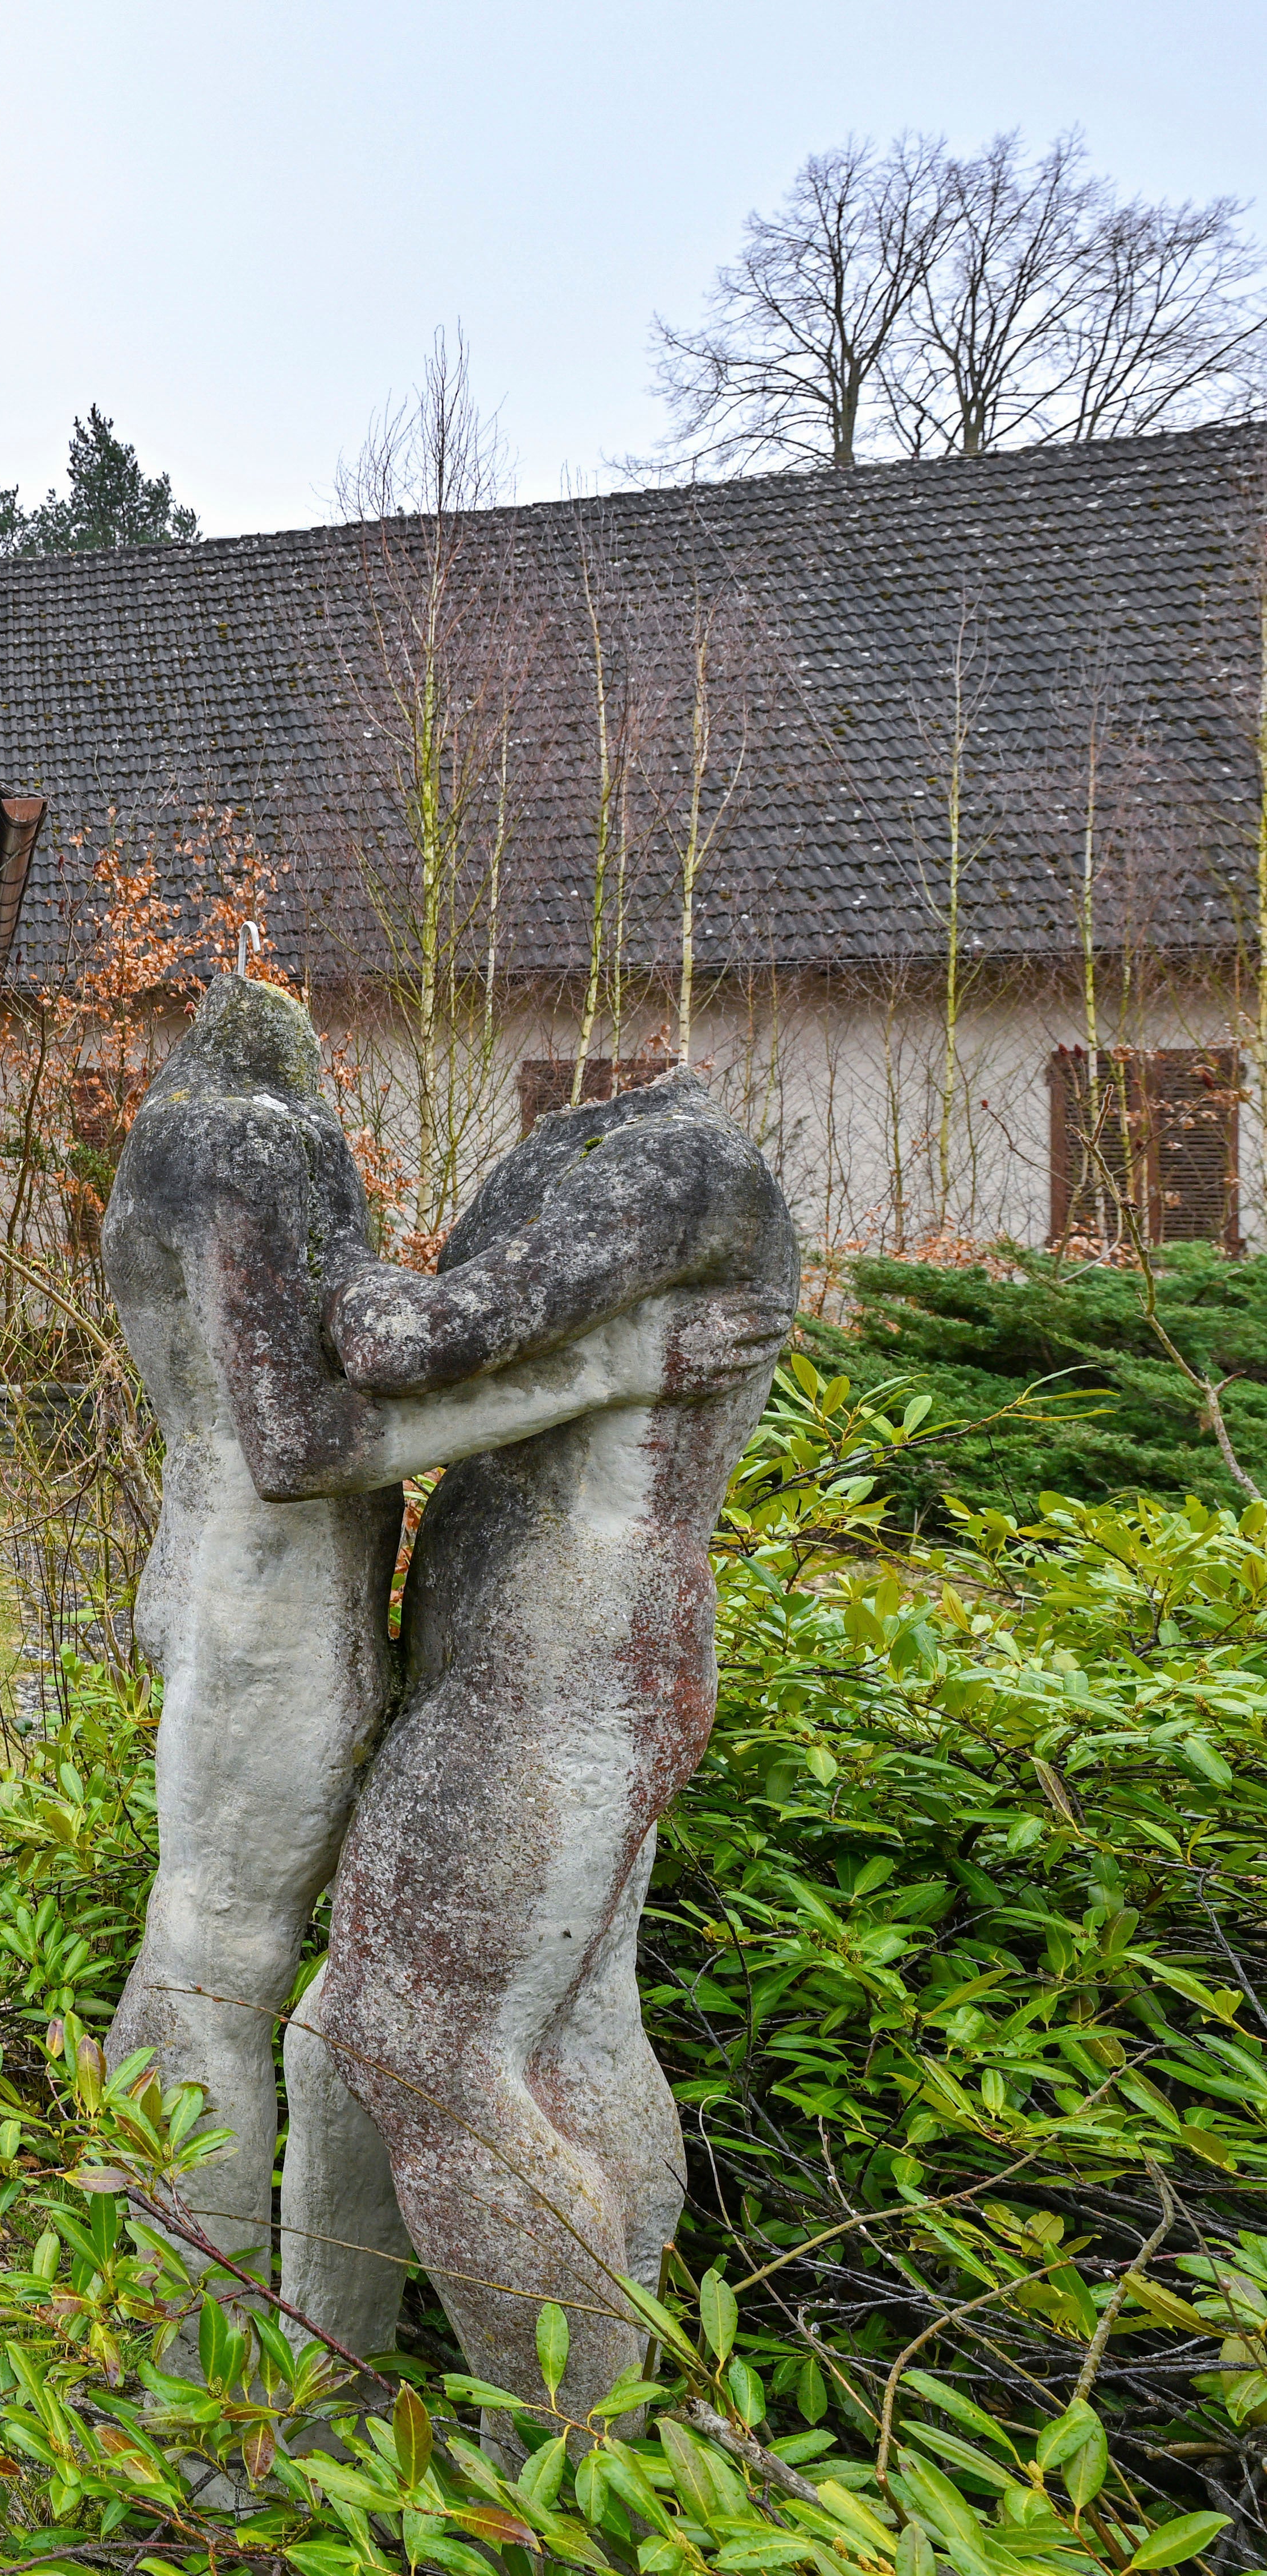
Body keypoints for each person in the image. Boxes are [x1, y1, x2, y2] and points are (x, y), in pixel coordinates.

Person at [96, 972, 784, 2352]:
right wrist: (616, 1366)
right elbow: (306, 1436)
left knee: (341, 2013)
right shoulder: (247, 1142)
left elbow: (337, 1370)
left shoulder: (179, 1145)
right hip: (264, 1604)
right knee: (221, 1964)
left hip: (238, 1582)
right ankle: (199, 2367)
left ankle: (308, 2366)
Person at [298, 1070, 799, 2420]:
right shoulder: (626, 1152)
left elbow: (404, 1341)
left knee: (415, 2046)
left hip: (561, 1660)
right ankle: (620, 2424)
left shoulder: (679, 1166)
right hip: (566, 1655)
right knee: (568, 2037)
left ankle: (565, 2463)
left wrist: (332, 1259)